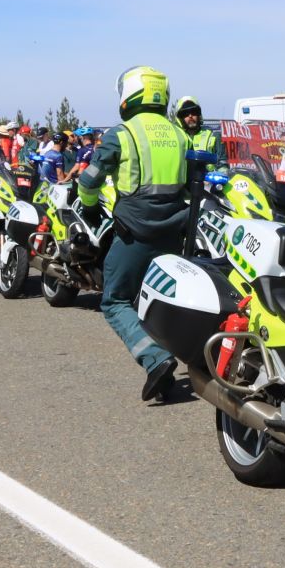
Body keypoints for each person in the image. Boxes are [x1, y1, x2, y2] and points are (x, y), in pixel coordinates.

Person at [77, 66, 191, 403]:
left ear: (129, 94)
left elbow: (89, 181)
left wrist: (89, 205)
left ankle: (155, 358)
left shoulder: (121, 134)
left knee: (114, 301)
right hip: (176, 230)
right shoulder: (180, 134)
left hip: (135, 233)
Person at [176, 96, 222, 162]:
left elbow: (223, 165)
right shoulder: (177, 138)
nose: (190, 116)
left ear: (199, 114)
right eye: (185, 113)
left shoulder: (214, 136)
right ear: (180, 118)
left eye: (194, 112)